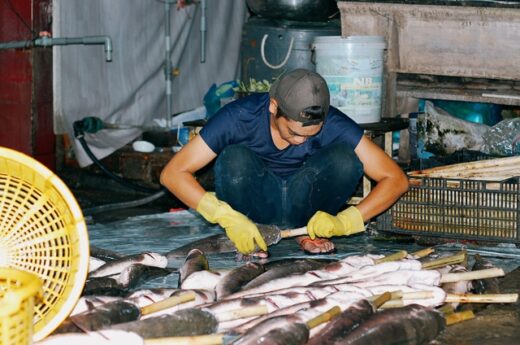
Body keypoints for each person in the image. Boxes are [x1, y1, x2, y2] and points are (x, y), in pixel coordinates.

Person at [160, 68, 408, 255]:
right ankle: (256, 232)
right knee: (234, 160)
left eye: (310, 134)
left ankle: (302, 232)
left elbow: (395, 179)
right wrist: (225, 216)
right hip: (257, 201)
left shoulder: (334, 122)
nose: (301, 141)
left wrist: (348, 221)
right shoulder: (239, 116)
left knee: (345, 160)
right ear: (273, 107)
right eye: (294, 133)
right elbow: (173, 173)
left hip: (304, 202)